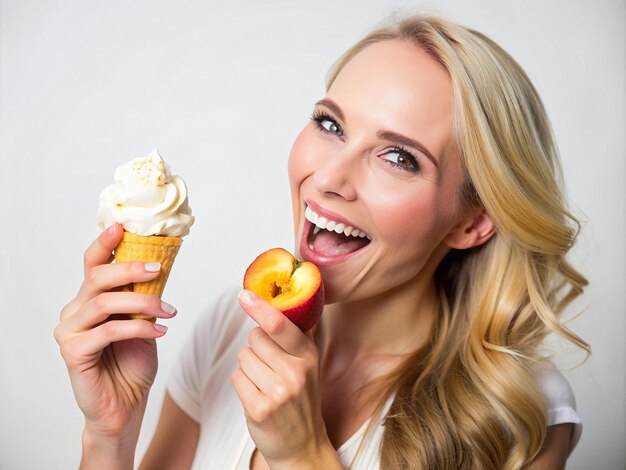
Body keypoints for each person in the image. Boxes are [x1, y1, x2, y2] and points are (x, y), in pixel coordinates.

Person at [54, 14, 589, 470]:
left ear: (471, 222)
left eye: (399, 158)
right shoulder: (228, 326)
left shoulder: (517, 414)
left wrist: (304, 454)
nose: (329, 177)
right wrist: (109, 435)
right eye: (330, 125)